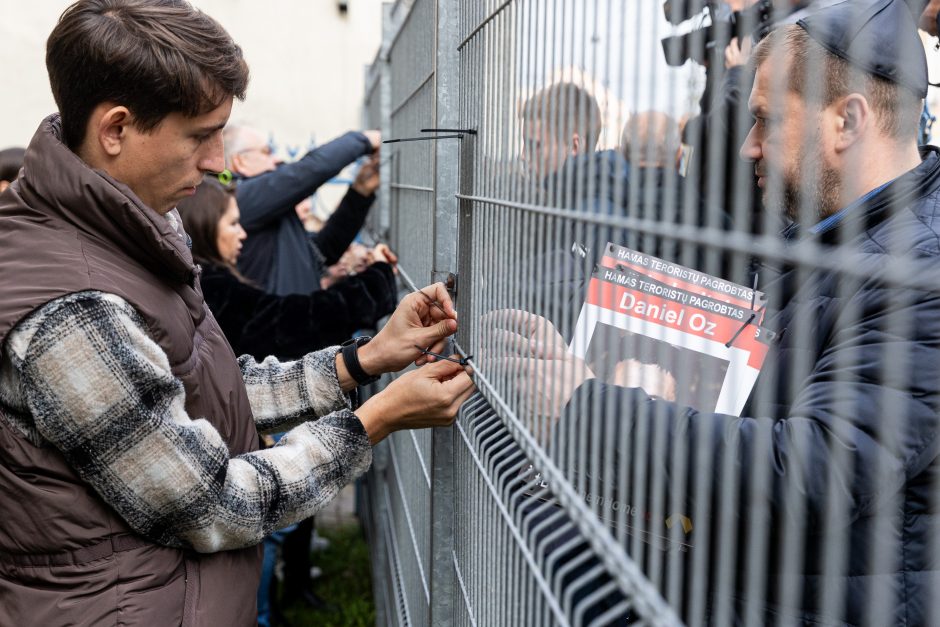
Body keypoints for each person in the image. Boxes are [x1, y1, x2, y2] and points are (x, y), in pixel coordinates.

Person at [0, 2, 474, 626]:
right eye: (201, 134)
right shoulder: (74, 312)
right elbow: (210, 504)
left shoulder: (126, 229)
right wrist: (371, 422)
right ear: (115, 129)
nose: (219, 160)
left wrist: (361, 360)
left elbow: (197, 395)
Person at [497, 0, 940, 623]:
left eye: (763, 121)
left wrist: (582, 406)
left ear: (847, 121)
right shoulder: (817, 237)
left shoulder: (919, 273)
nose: (748, 147)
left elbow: (812, 469)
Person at [177, 177, 397, 360]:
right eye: (233, 224)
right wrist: (378, 276)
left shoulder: (194, 280)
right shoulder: (209, 289)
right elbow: (294, 324)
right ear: (204, 225)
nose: (243, 234)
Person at [224, 123, 381, 295]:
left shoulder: (265, 208)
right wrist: (365, 140)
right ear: (240, 161)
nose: (277, 159)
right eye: (267, 152)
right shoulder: (239, 199)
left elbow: (321, 252)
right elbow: (305, 172)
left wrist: (360, 192)